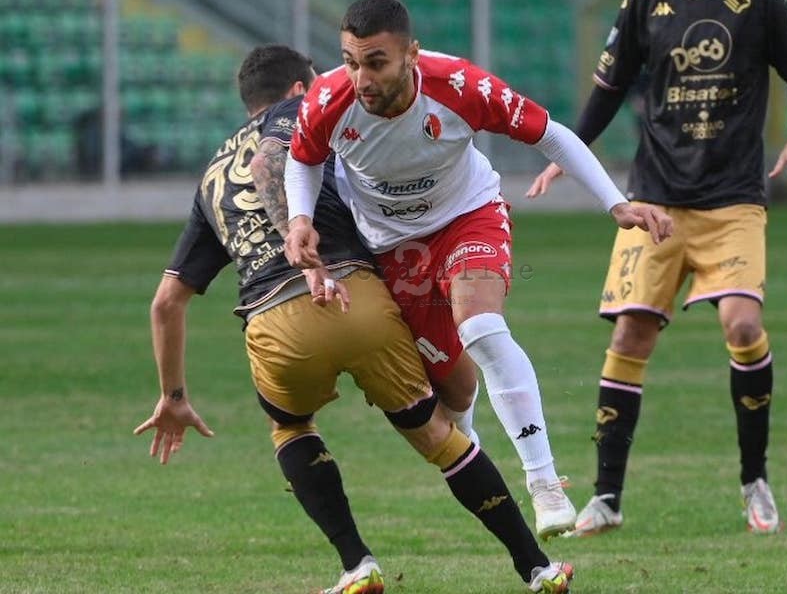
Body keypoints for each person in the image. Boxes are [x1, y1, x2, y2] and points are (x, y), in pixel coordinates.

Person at [133, 44, 574, 594]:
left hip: (274, 325)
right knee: (441, 438)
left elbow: (166, 301)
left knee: (291, 427)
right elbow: (271, 160)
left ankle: (356, 564)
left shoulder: (211, 178)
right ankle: (537, 568)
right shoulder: (305, 109)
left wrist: (173, 396)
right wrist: (310, 260)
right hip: (353, 297)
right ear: (300, 89)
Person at [282, 0, 673, 541]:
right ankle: (474, 459)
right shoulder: (329, 98)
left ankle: (544, 482)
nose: (361, 78)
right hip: (393, 248)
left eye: (375, 62)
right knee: (455, 393)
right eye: (350, 61)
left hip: (468, 216)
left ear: (411, 55)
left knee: (481, 326)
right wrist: (300, 220)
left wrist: (616, 203)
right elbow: (302, 160)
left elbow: (550, 133)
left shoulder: (460, 87)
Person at [527, 0, 787, 537]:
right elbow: (611, 86)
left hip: (733, 200)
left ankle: (755, 481)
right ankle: (607, 497)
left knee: (743, 325)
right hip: (656, 199)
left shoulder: (762, 2)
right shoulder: (644, 2)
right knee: (630, 335)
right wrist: (569, 152)